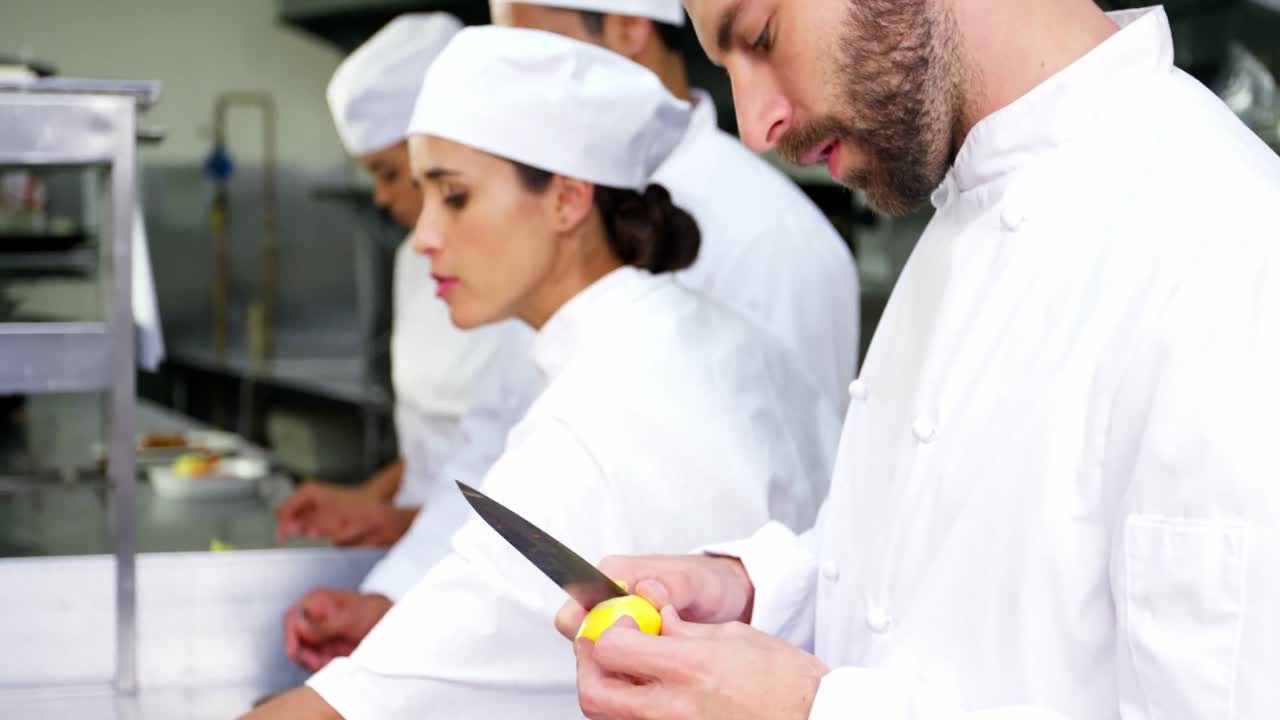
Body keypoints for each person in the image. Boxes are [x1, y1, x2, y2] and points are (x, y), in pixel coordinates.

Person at [557, 1, 1280, 719]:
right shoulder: (970, 199)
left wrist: (810, 711)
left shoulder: (1235, 257)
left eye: (761, 36)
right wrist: (755, 593)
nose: (755, 127)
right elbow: (959, 578)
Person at [244, 26, 842, 720]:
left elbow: (352, 707)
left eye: (455, 196)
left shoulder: (594, 418)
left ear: (567, 199)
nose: (425, 236)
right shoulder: (695, 337)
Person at [494, 0, 861, 408]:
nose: (513, 89)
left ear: (629, 27)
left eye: (535, 53)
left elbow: (796, 441)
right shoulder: (544, 206)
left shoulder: (772, 238)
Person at [273, 13, 535, 549]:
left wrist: (410, 524)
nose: (381, 196)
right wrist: (369, 499)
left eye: (389, 172)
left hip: (488, 550)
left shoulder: (519, 272)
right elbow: (434, 447)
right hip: (428, 543)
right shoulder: (413, 259)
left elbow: (523, 466)